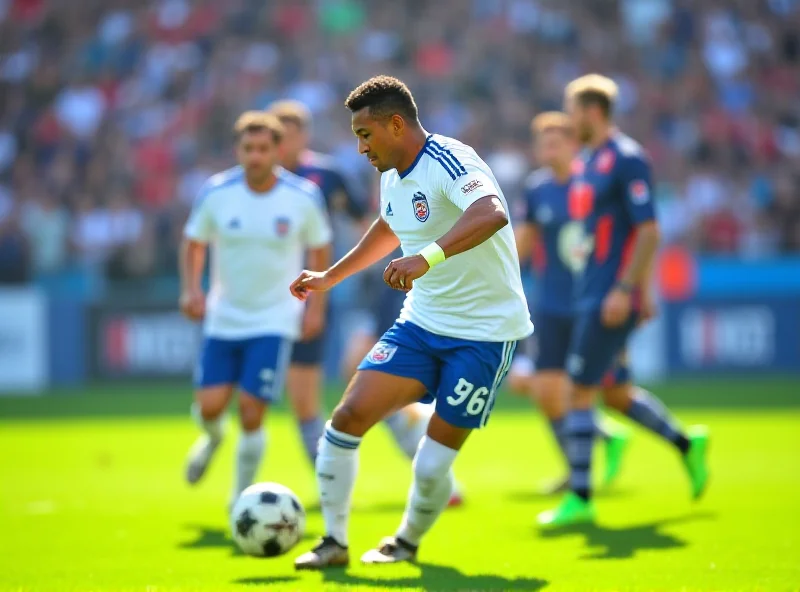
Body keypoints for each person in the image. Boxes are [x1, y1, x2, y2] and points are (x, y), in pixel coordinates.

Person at [290, 75, 532, 569]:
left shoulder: (451, 159)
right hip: (421, 324)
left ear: (396, 124)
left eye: (365, 134)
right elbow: (389, 224)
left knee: (432, 464)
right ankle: (334, 542)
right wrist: (331, 276)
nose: (360, 147)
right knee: (347, 418)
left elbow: (492, 212)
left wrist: (425, 258)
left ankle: (406, 540)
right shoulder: (391, 174)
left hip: (485, 334)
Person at [537, 75, 710, 528]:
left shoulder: (627, 159)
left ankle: (580, 498)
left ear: (592, 110)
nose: (570, 119)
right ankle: (688, 445)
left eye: (573, 110)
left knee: (578, 392)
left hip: (607, 296)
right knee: (614, 395)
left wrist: (626, 289)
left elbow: (650, 230)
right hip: (592, 293)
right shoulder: (591, 163)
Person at [268, 101, 460, 502]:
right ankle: (335, 486)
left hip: (340, 293)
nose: (279, 143)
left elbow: (370, 224)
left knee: (360, 372)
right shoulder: (256, 186)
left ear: (302, 136)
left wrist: (385, 273)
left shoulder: (326, 176)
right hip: (280, 299)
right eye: (274, 135)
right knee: (309, 398)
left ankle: (425, 465)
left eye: (287, 134)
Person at [179, 111, 332, 507]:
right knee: (210, 408)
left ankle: (237, 501)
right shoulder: (216, 192)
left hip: (275, 318)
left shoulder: (302, 197)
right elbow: (194, 242)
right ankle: (212, 439)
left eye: (264, 148)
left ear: (278, 150)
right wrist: (191, 290)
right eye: (249, 148)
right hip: (224, 316)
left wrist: (316, 307)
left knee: (251, 411)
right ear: (238, 150)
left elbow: (321, 248)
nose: (256, 156)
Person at [514, 112, 631, 495]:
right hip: (550, 306)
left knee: (611, 394)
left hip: (590, 306)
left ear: (573, 144)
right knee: (543, 391)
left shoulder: (594, 183)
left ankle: (665, 440)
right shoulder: (537, 189)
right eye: (542, 143)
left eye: (555, 142)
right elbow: (524, 244)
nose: (547, 150)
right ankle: (581, 466)